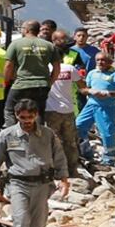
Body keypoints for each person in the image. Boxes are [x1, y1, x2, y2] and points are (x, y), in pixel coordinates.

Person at [0, 98, 70, 227]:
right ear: (17, 116)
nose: (27, 121)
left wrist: (64, 180)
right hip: (17, 183)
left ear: (36, 115)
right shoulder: (7, 135)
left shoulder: (47, 134)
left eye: (30, 117)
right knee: (21, 219)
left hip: (42, 184)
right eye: (23, 117)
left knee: (38, 222)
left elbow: (59, 157)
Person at [76, 52, 115, 166]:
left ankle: (109, 159)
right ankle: (86, 151)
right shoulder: (92, 73)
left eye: (103, 60)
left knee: (107, 133)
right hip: (91, 105)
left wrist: (108, 93)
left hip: (106, 107)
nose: (100, 62)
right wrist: (90, 91)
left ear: (109, 62)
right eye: (98, 60)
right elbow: (84, 89)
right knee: (78, 126)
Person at [3, 20, 59, 126]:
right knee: (38, 112)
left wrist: (6, 81)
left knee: (10, 110)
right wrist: (50, 82)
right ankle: (38, 137)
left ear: (27, 30)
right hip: (42, 85)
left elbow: (8, 66)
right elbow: (57, 68)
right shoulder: (49, 46)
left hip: (21, 84)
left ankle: (12, 137)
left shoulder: (15, 44)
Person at [46, 30, 84, 174]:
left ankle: (58, 171)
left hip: (51, 111)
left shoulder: (45, 69)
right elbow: (82, 87)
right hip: (68, 109)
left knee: (55, 142)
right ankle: (72, 170)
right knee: (70, 142)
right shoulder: (70, 68)